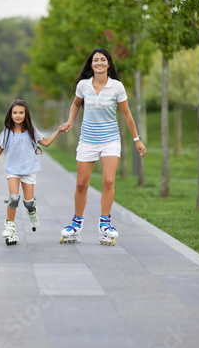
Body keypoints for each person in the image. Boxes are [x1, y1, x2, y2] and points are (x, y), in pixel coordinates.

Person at [60, 48, 146, 245]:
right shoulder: (83, 85)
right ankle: (76, 223)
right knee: (81, 184)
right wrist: (70, 121)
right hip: (88, 140)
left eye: (103, 59)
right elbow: (75, 104)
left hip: (110, 140)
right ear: (91, 64)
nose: (99, 62)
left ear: (108, 64)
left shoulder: (117, 87)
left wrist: (137, 139)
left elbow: (126, 115)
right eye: (95, 60)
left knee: (108, 181)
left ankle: (105, 223)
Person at [0, 99, 65, 245]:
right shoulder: (7, 132)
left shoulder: (32, 130)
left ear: (26, 114)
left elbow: (46, 143)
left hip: (29, 170)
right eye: (15, 113)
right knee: (13, 199)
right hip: (13, 170)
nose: (18, 115)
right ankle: (10, 228)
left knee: (28, 203)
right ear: (10, 115)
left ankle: (32, 211)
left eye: (21, 112)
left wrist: (58, 130)